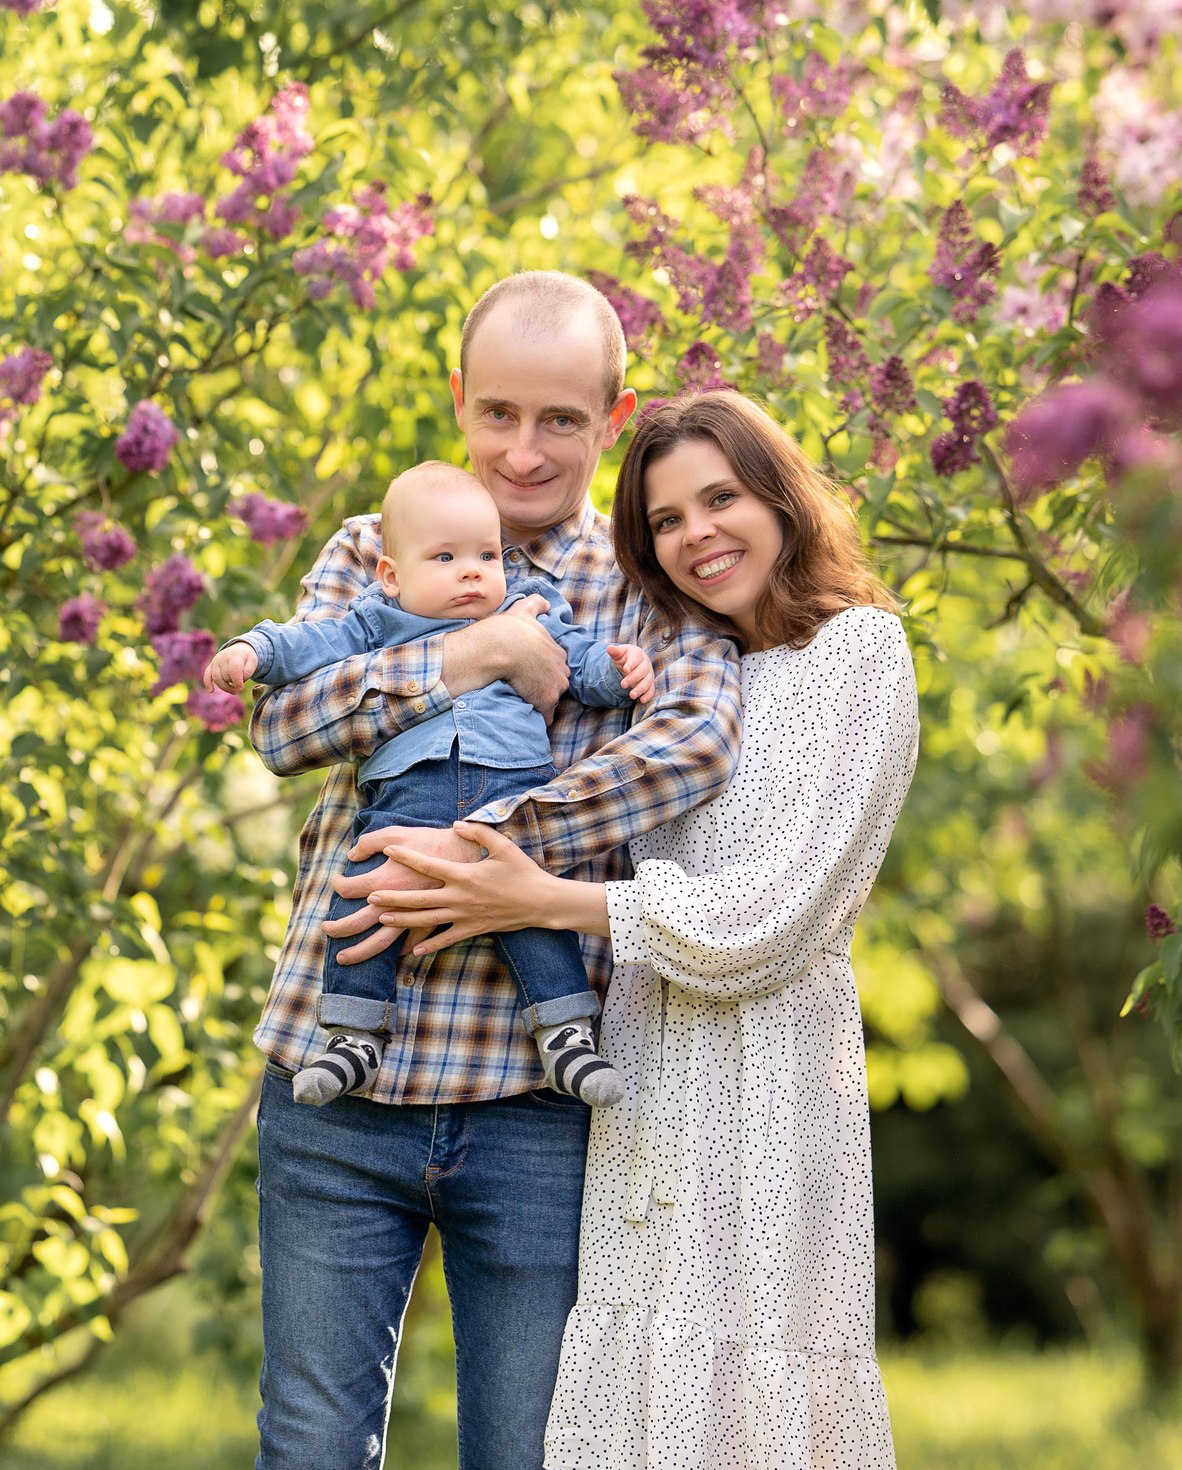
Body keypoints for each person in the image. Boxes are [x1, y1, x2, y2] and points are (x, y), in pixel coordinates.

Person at [341, 390, 920, 1469]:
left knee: (754, 1387)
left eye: (721, 498)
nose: (697, 534)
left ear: (782, 500)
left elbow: (781, 912)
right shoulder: (673, 670)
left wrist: (541, 900)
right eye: (665, 519)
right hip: (642, 1065)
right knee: (634, 1397)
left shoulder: (861, 654)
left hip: (772, 1079)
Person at [246, 272, 746, 1470]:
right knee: (310, 1444)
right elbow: (283, 728)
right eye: (500, 415)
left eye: (561, 421)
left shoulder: (645, 577)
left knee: (527, 1450)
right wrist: (477, 653)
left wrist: (498, 855)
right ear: (459, 399)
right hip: (337, 1079)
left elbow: (693, 743)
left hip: (534, 1095)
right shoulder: (373, 546)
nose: (524, 451)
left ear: (613, 419)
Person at [206, 460, 656, 1109]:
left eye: (484, 553)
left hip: (513, 790)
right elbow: (308, 644)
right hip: (405, 796)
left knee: (532, 915)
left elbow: (582, 663)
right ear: (394, 574)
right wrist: (254, 650)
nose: (472, 570)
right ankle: (353, 1039)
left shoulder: (529, 605)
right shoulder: (377, 619)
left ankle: (567, 1039)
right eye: (446, 557)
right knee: (363, 901)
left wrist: (623, 669)